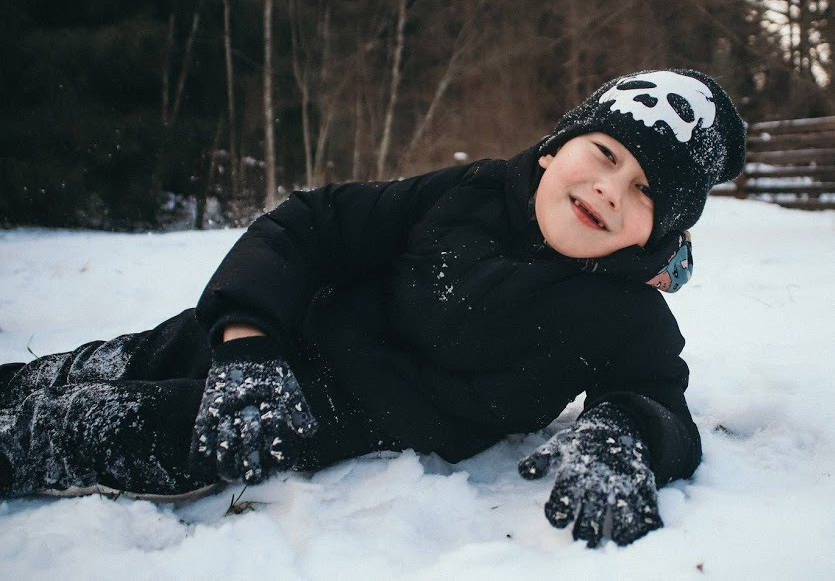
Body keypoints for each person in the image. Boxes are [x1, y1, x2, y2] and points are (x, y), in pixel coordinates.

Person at [0, 69, 746, 547]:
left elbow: (656, 399)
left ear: (659, 232)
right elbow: (311, 226)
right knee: (112, 362)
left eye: (646, 191)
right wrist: (247, 337)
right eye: (606, 154)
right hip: (271, 332)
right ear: (556, 148)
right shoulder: (467, 194)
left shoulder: (623, 316)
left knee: (148, 427)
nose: (610, 189)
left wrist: (622, 435)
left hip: (333, 413)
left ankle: (26, 439)